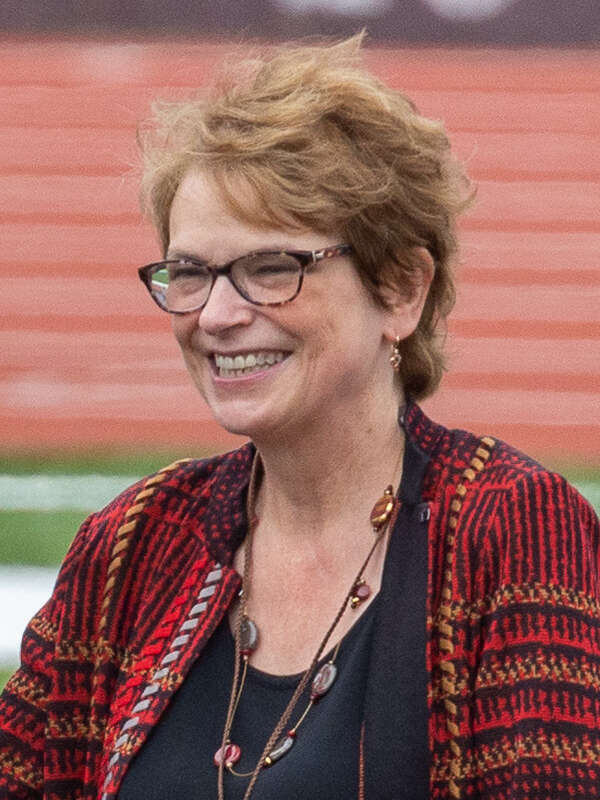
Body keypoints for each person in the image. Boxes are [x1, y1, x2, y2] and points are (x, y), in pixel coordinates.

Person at [1, 35, 599, 800]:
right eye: (190, 273)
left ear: (400, 289)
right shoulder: (132, 546)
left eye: (270, 268)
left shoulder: (512, 532)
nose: (217, 315)